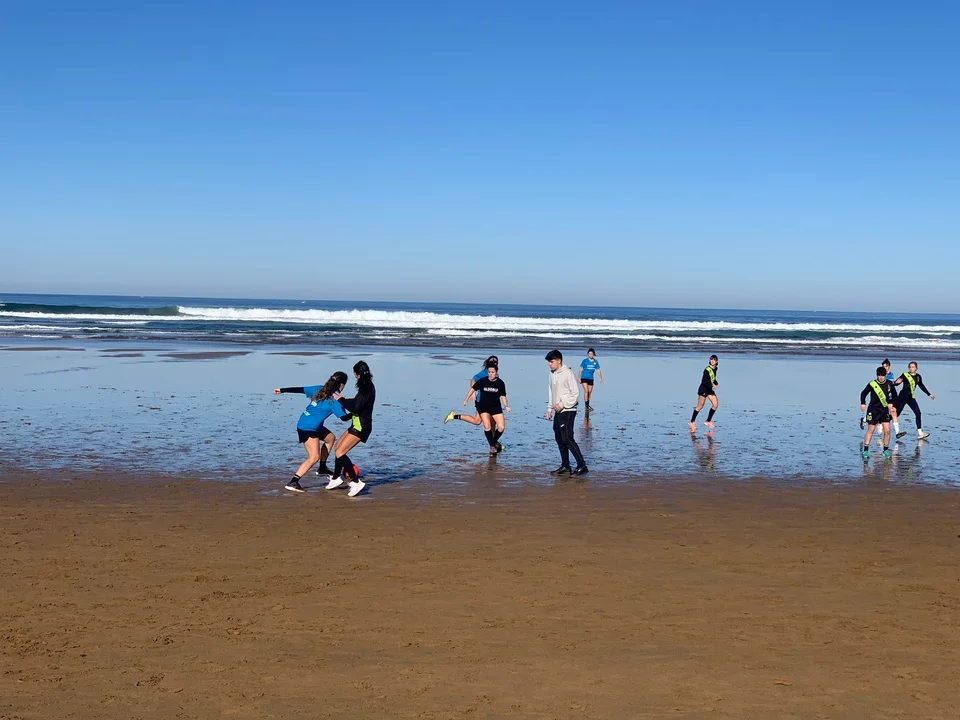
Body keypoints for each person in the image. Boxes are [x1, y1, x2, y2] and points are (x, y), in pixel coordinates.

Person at [273, 371, 349, 493]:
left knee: (330, 438)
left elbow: (300, 389)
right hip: (308, 428)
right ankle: (293, 481)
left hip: (305, 422)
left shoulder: (319, 388)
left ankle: (322, 467)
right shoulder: (335, 400)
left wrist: (282, 390)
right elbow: (345, 418)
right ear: (342, 385)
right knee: (314, 457)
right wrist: (352, 407)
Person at [326, 361, 376, 497]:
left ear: (358, 373)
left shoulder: (366, 387)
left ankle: (356, 481)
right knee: (337, 447)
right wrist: (344, 400)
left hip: (361, 427)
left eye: (355, 374)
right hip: (356, 424)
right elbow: (356, 403)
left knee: (340, 452)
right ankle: (336, 478)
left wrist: (340, 399)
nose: (355, 376)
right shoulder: (365, 386)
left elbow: (355, 407)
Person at [545, 350, 588, 476]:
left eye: (551, 361)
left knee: (567, 438)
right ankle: (565, 465)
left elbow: (575, 393)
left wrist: (562, 404)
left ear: (559, 361)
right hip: (557, 410)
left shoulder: (567, 373)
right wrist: (549, 408)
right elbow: (551, 392)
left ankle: (582, 465)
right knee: (559, 438)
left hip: (568, 410)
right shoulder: (552, 374)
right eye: (549, 362)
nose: (549, 364)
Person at [461, 360, 511, 454]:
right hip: (483, 407)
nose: (491, 374)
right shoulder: (483, 381)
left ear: (496, 372)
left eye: (493, 372)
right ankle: (492, 446)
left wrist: (506, 406)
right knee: (487, 426)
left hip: (496, 407)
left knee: (501, 427)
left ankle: (493, 442)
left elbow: (503, 396)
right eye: (489, 372)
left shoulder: (500, 383)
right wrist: (466, 399)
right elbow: (472, 389)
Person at [444, 355, 499, 427]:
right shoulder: (485, 373)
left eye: (495, 361)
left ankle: (453, 416)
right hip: (482, 400)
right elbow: (473, 380)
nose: (493, 363)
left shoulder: (495, 374)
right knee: (488, 421)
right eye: (492, 361)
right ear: (488, 363)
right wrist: (473, 393)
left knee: (477, 421)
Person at [860, 366, 896, 461]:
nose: (881, 377)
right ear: (877, 375)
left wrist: (892, 404)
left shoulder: (889, 384)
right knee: (871, 429)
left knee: (887, 430)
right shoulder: (872, 384)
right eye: (879, 375)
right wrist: (863, 403)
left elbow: (894, 395)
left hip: (884, 410)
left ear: (885, 375)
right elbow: (863, 393)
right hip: (873, 409)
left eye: (882, 375)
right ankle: (866, 450)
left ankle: (886, 449)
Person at [893, 361, 935, 440]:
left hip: (911, 397)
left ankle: (920, 433)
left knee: (918, 413)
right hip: (902, 397)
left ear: (916, 368)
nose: (911, 368)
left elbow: (921, 386)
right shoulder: (905, 375)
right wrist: (895, 383)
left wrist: (929, 394)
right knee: (896, 414)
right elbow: (896, 382)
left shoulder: (918, 377)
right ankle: (882, 423)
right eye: (910, 367)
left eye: (913, 367)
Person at [688, 355, 720, 431]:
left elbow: (712, 378)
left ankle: (708, 421)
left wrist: (716, 383)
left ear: (716, 361)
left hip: (710, 389)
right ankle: (692, 421)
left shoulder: (715, 368)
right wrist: (711, 387)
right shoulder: (707, 370)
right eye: (711, 359)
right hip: (704, 389)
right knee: (700, 406)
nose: (712, 361)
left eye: (714, 360)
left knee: (715, 405)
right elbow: (704, 381)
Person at [878, 359, 902, 440]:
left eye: (886, 366)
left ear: (889, 367)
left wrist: (897, 383)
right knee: (877, 413)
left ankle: (897, 432)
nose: (885, 368)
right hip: (882, 397)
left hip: (891, 397)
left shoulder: (891, 374)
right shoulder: (881, 375)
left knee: (893, 412)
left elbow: (891, 385)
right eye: (883, 366)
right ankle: (865, 420)